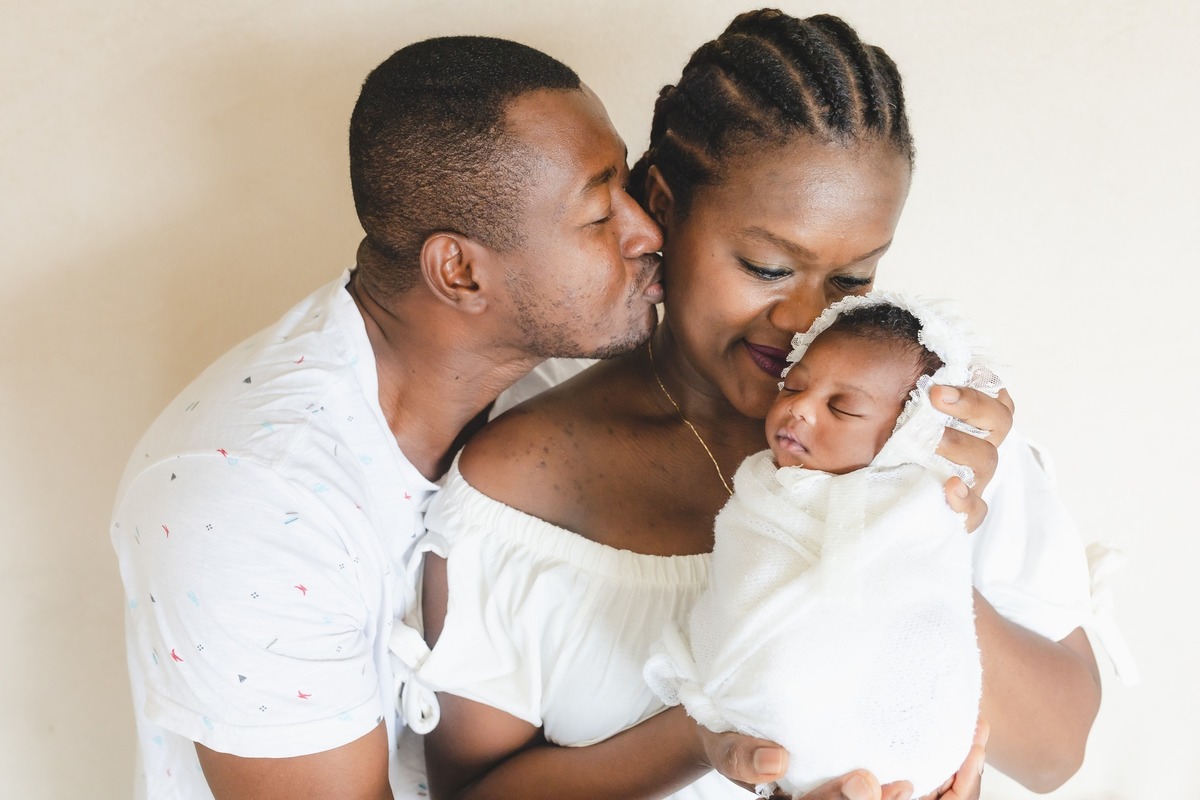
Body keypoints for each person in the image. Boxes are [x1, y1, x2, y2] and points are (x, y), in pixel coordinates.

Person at [413, 10, 1102, 800]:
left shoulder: (930, 432)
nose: (806, 319)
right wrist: (704, 733)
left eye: (851, 279)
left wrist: (914, 543)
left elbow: (1056, 755)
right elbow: (469, 792)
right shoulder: (522, 479)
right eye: (768, 267)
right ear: (664, 207)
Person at [108, 36, 669, 799]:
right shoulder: (249, 500)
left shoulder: (562, 385)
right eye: (601, 213)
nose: (648, 234)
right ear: (459, 271)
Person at [644, 294, 995, 798]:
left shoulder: (917, 506)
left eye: (842, 407)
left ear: (910, 434)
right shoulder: (762, 488)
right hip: (762, 723)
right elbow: (744, 580)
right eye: (793, 385)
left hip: (890, 745)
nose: (799, 408)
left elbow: (926, 614)